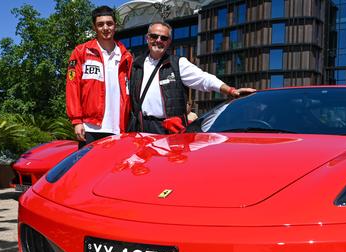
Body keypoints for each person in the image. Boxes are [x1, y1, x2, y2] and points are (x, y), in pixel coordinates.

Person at [128, 21, 256, 134]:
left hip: (169, 129)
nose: (159, 40)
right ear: (147, 38)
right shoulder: (135, 65)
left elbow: (204, 79)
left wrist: (230, 91)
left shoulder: (178, 63)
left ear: (169, 42)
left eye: (164, 38)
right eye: (154, 36)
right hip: (141, 128)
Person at [66, 6, 133, 148]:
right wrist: (77, 121)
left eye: (109, 23)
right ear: (94, 27)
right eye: (100, 24)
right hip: (91, 128)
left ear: (115, 25)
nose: (105, 28)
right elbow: (72, 87)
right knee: (88, 169)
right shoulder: (81, 52)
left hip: (118, 128)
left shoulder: (126, 56)